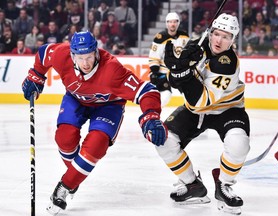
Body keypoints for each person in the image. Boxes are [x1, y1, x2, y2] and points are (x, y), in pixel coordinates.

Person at [21, 31, 168, 215]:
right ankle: (74, 176)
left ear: (96, 52)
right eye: (80, 58)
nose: (85, 63)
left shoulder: (112, 70)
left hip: (108, 106)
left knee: (96, 144)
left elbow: (147, 91)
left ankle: (65, 187)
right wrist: (36, 75)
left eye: (89, 57)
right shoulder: (61, 54)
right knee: (64, 138)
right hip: (76, 99)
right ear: (72, 55)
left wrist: (151, 115)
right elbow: (43, 54)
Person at [157, 13, 250, 215]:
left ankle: (224, 185)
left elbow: (200, 101)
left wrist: (183, 72)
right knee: (163, 139)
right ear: (210, 33)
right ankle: (193, 186)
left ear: (233, 40)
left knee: (238, 144)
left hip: (227, 110)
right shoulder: (198, 46)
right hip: (195, 111)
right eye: (216, 34)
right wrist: (175, 68)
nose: (219, 40)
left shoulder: (227, 63)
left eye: (226, 37)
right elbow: (175, 83)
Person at [148, 12, 189, 107]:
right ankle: (154, 113)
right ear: (167, 23)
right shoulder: (160, 38)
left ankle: (191, 116)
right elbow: (154, 56)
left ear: (178, 23)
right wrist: (154, 72)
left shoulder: (185, 37)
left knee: (188, 94)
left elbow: (188, 53)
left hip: (179, 71)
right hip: (164, 72)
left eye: (175, 22)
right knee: (165, 96)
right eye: (170, 22)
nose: (172, 24)